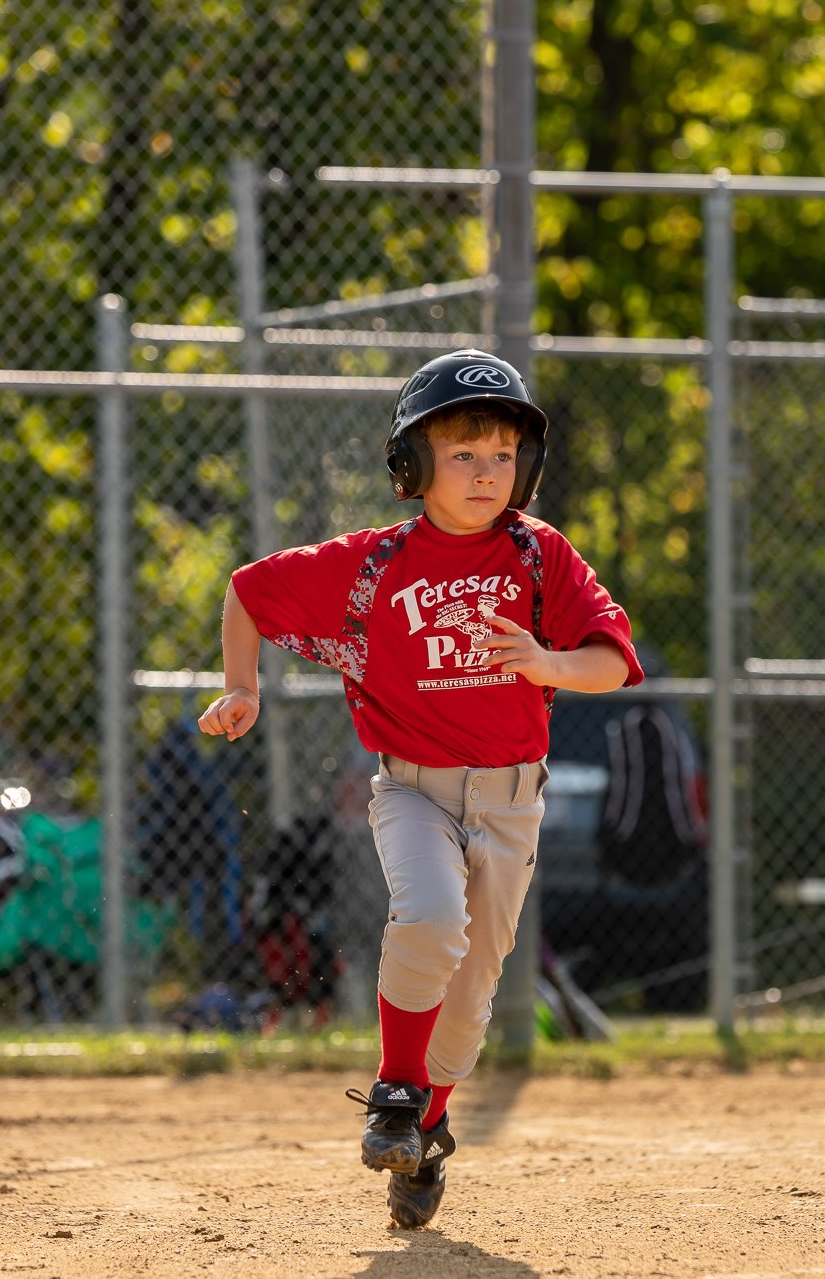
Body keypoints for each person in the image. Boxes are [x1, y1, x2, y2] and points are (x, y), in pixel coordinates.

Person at [198, 350, 642, 1229]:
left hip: (510, 801)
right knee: (432, 918)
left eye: (503, 455)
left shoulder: (538, 553)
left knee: (471, 995)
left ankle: (425, 1130)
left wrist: (547, 661)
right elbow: (250, 591)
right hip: (413, 792)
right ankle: (396, 1093)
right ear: (412, 464)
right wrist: (242, 686)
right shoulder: (376, 564)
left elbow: (610, 659)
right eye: (462, 452)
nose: (486, 472)